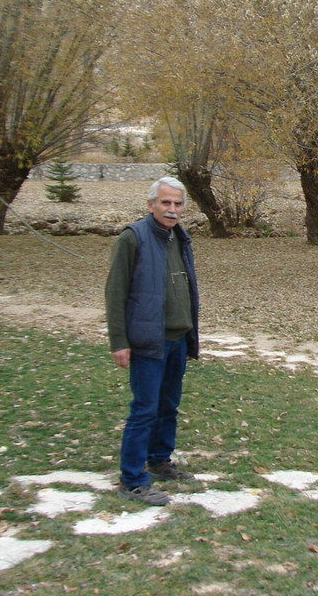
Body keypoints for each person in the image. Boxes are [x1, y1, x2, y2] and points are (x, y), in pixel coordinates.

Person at [105, 176, 200, 505]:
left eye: (177, 204)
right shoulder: (133, 239)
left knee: (168, 406)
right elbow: (115, 293)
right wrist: (119, 341)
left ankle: (159, 460)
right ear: (150, 205)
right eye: (165, 203)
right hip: (148, 342)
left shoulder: (179, 237)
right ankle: (132, 479)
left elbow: (184, 290)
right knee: (144, 410)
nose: (172, 209)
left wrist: (190, 337)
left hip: (177, 340)